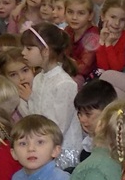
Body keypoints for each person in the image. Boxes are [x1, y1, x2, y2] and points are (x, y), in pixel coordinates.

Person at [18, 24, 83, 169]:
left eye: (29, 48)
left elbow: (58, 128)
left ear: (46, 51)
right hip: (44, 145)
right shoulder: (38, 78)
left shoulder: (65, 84)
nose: (23, 52)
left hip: (62, 153)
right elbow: (33, 118)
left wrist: (30, 100)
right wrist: (21, 100)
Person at [73, 77, 117, 163]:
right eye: (80, 113)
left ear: (107, 112)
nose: (82, 119)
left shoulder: (112, 149)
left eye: (88, 114)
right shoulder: (87, 144)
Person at [62, 0, 100, 80]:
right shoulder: (68, 30)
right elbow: (61, 53)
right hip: (68, 70)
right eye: (70, 12)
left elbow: (84, 68)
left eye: (81, 13)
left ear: (90, 16)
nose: (74, 17)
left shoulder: (93, 36)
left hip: (88, 77)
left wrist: (61, 64)